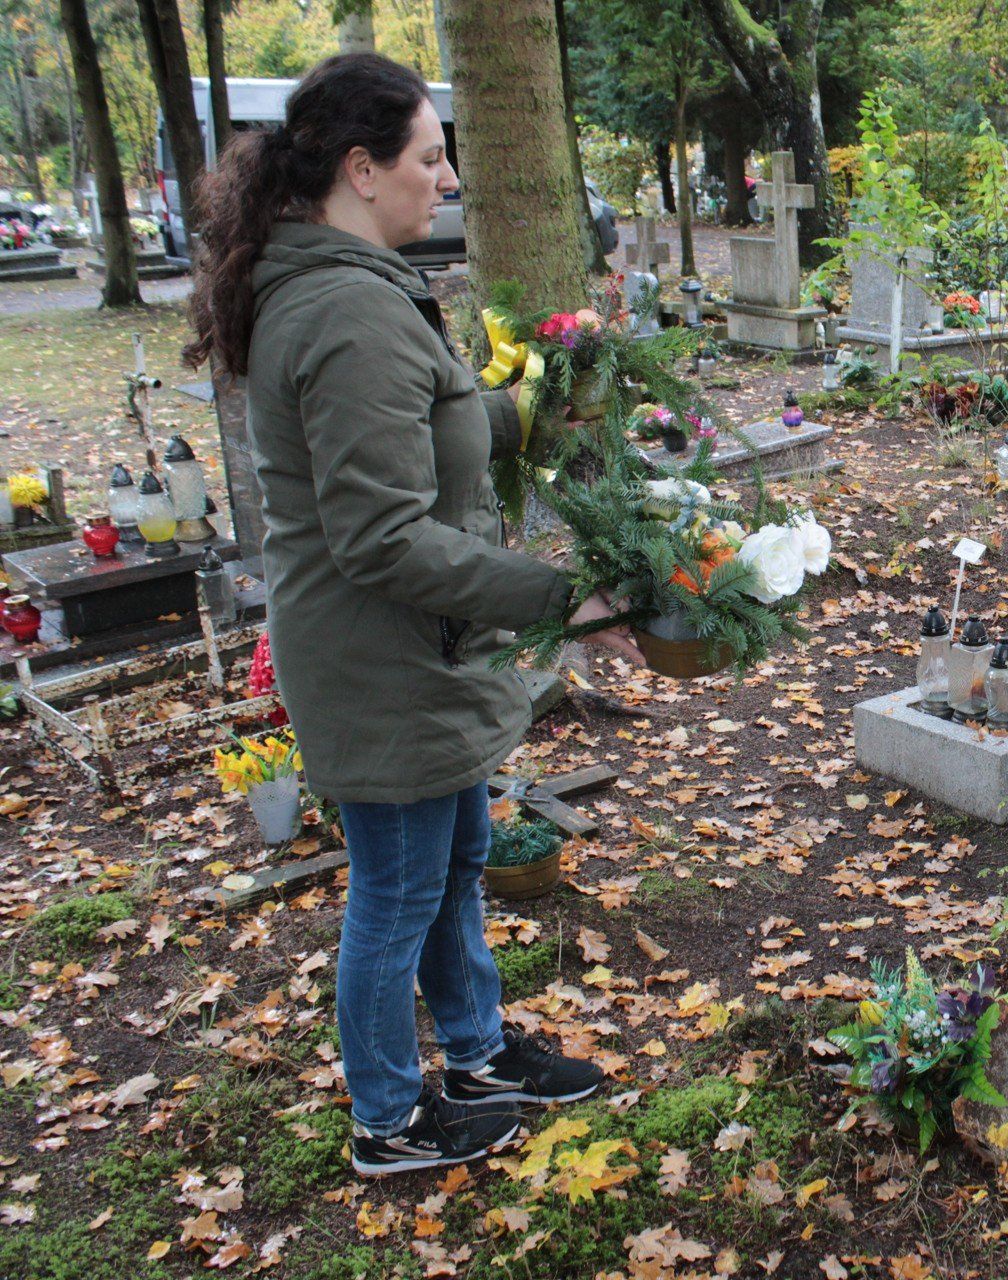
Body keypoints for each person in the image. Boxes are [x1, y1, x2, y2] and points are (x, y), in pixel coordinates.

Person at [184, 53, 642, 1176]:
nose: (444, 179)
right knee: (396, 892)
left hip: (416, 651)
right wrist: (561, 599)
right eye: (430, 157)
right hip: (380, 659)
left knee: (457, 859)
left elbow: (421, 427)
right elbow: (380, 536)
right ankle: (387, 1117)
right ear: (360, 166)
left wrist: (528, 397)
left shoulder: (358, 285)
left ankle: (477, 1053)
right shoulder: (346, 309)